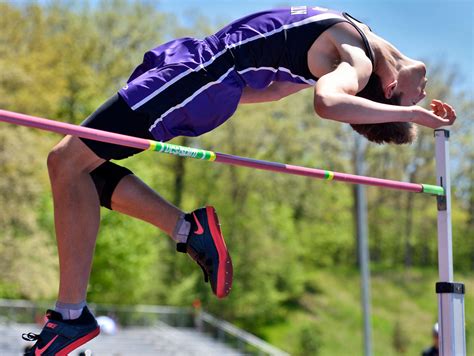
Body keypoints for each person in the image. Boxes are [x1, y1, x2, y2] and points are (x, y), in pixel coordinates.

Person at [22, 5, 456, 355]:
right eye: (415, 100)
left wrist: (408, 114)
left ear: (386, 85)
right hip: (197, 69)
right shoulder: (358, 36)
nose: (423, 95)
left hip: (198, 75)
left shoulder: (358, 60)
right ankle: (189, 231)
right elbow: (272, 87)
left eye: (409, 99)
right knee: (80, 172)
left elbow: (327, 101)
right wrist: (226, 85)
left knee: (67, 163)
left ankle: (71, 315)